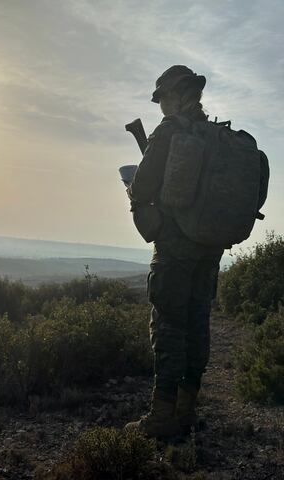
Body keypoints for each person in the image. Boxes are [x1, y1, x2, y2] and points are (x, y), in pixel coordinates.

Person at [125, 65, 224, 438]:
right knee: (197, 324)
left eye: (162, 97)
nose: (161, 105)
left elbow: (144, 186)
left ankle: (162, 415)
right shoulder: (215, 134)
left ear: (174, 94)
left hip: (176, 247)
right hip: (209, 246)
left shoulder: (169, 130)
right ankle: (186, 410)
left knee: (168, 325)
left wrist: (133, 188)